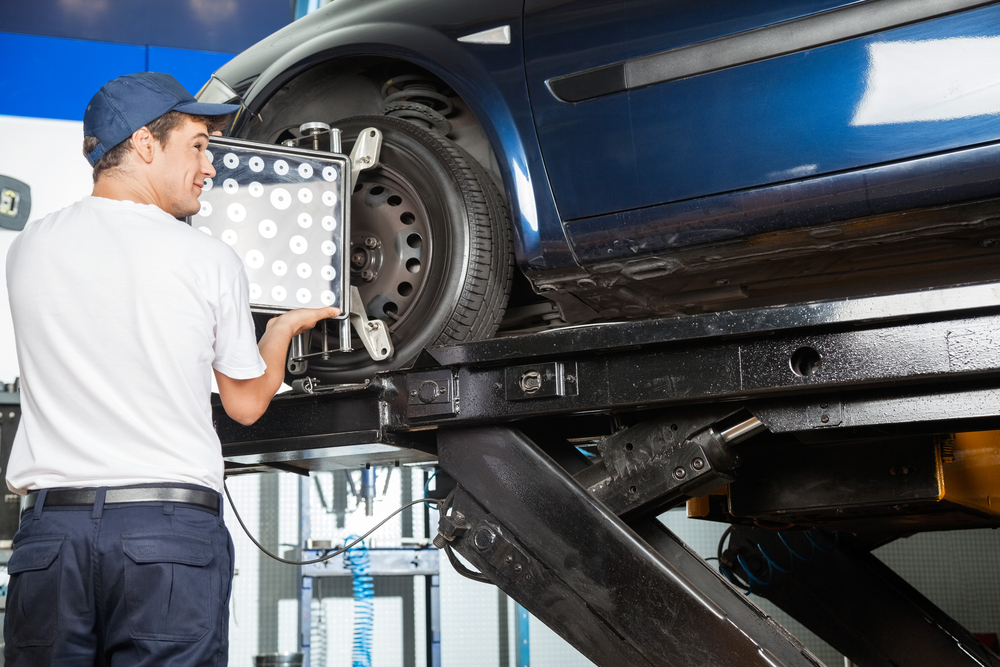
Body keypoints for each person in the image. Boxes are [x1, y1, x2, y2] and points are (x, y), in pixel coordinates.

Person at [3, 72, 336, 666]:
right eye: (200, 146)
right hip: (165, 536)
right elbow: (245, 403)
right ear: (145, 144)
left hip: (50, 540)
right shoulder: (207, 258)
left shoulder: (28, 247)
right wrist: (281, 329)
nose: (210, 167)